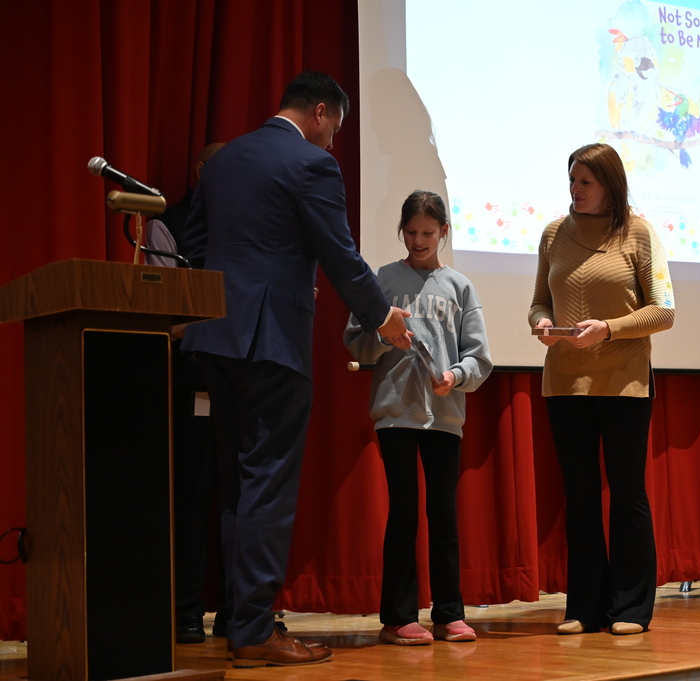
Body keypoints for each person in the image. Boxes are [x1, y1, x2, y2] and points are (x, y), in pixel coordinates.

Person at [180, 71, 413, 668]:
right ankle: (254, 630)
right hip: (272, 339)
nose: (333, 141)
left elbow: (196, 249)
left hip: (215, 338)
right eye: (334, 126)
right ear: (318, 111)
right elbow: (338, 252)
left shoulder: (226, 160)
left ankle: (241, 619)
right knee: (268, 483)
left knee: (238, 484)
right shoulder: (311, 165)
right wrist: (382, 315)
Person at [528, 143, 674, 636]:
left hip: (624, 382)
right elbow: (537, 302)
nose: (575, 190)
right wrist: (543, 322)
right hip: (565, 382)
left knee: (627, 493)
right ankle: (584, 607)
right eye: (572, 180)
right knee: (581, 495)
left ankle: (631, 608)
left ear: (610, 186)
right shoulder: (553, 233)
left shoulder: (638, 232)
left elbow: (664, 312)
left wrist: (609, 328)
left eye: (585, 182)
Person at [344, 190, 492, 646]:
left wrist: (456, 375)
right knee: (404, 511)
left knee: (444, 513)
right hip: (395, 413)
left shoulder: (460, 286)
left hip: (444, 416)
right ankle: (398, 617)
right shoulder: (383, 279)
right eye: (411, 232)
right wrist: (386, 338)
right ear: (401, 231)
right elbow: (355, 340)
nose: (419, 240)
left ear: (444, 232)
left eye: (428, 233)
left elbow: (480, 358)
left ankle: (450, 613)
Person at [144, 142, 227, 644]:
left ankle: (243, 611)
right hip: (193, 377)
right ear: (199, 171)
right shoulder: (168, 222)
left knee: (245, 497)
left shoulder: (255, 224)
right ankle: (187, 610)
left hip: (248, 377)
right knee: (194, 499)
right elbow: (162, 308)